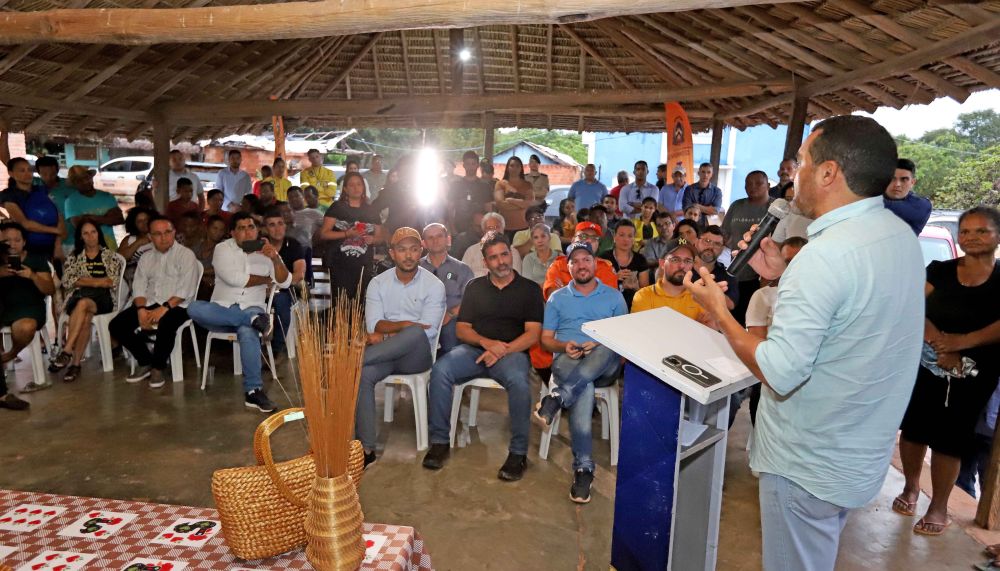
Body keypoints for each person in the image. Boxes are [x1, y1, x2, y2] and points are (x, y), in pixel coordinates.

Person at [683, 115, 924, 571]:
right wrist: (783, 274)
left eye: (803, 164)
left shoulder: (824, 256)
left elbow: (779, 369)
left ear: (829, 173)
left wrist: (718, 310)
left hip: (806, 461)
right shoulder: (898, 236)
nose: (793, 176)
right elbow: (851, 321)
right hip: (856, 448)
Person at [895, 206, 1000, 536]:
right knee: (913, 429)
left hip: (976, 373)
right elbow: (915, 305)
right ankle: (912, 487)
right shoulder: (940, 270)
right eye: (966, 231)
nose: (971, 237)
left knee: (950, 439)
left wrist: (962, 343)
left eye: (981, 231)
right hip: (928, 361)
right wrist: (941, 343)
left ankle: (939, 505)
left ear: (997, 236)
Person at [422, 232, 544, 481]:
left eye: (504, 255)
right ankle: (439, 442)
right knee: (441, 370)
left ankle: (518, 454)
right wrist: (487, 344)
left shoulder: (529, 289)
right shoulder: (475, 287)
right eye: (493, 258)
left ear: (510, 254)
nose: (501, 262)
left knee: (521, 383)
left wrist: (502, 350)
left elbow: (533, 334)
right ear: (485, 262)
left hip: (512, 353)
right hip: (475, 351)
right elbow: (462, 328)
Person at [534, 240, 627, 503]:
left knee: (606, 344)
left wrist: (597, 343)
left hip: (604, 364)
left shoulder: (614, 296)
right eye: (575, 261)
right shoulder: (557, 298)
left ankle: (558, 398)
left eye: (587, 259)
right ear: (569, 266)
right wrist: (565, 345)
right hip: (567, 359)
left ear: (596, 264)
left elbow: (623, 339)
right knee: (582, 387)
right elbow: (545, 340)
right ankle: (584, 468)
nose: (582, 265)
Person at [358, 227, 447, 465]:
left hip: (417, 356)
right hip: (385, 355)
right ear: (392, 253)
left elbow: (427, 330)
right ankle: (366, 449)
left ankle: (350, 359)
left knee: (416, 333)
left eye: (414, 249)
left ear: (421, 251)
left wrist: (403, 328)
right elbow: (374, 325)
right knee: (364, 374)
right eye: (402, 250)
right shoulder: (377, 284)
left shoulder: (434, 285)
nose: (408, 256)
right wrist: (406, 324)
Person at [187, 212, 290, 413]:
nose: (247, 232)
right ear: (233, 233)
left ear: (256, 229)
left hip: (253, 305)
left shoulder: (266, 251)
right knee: (194, 308)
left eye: (250, 227)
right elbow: (235, 279)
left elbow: (285, 281)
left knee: (247, 332)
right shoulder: (222, 249)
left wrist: (275, 259)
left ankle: (253, 392)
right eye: (241, 228)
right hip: (221, 309)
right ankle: (252, 319)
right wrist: (265, 280)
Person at [110, 215, 199, 388]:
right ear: (150, 237)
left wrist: (164, 308)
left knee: (166, 322)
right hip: (151, 302)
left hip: (179, 304)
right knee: (117, 325)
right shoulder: (146, 258)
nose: (164, 237)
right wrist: (141, 309)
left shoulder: (186, 255)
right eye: (158, 234)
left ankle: (158, 367)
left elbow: (186, 289)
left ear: (174, 233)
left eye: (168, 232)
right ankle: (145, 361)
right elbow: (139, 286)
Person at [743, 237, 807, 426]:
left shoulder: (818, 296)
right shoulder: (763, 295)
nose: (793, 267)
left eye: (799, 260)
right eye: (787, 261)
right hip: (770, 373)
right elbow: (756, 342)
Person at [49, 220, 123, 383]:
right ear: (81, 237)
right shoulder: (74, 257)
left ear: (99, 234)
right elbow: (68, 281)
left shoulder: (109, 256)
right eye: (86, 233)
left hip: (103, 300)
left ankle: (67, 350)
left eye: (93, 232)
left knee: (83, 304)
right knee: (85, 314)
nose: (90, 236)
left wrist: (84, 280)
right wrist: (98, 281)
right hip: (79, 298)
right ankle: (74, 364)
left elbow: (112, 281)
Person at [0, 222, 55, 393]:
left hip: (30, 307)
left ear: (24, 242)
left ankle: (10, 355)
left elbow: (50, 289)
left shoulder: (36, 260)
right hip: (4, 307)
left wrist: (32, 275)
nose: (12, 244)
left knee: (25, 327)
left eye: (17, 240)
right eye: (7, 240)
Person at [319, 171, 383, 299]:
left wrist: (373, 239)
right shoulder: (337, 207)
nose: (356, 188)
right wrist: (347, 233)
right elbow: (324, 234)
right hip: (339, 263)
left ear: (364, 187)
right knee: (340, 303)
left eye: (359, 184)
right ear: (345, 189)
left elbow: (380, 237)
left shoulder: (372, 210)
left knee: (359, 303)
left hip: (363, 264)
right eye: (352, 185)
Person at [722, 171, 774, 325]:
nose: (753, 187)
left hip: (762, 277)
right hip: (735, 272)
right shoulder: (737, 205)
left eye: (758, 183)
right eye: (748, 184)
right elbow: (725, 234)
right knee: (733, 320)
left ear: (768, 186)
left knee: (755, 321)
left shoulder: (773, 208)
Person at [420, 223, 474, 355]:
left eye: (439, 236)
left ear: (448, 239)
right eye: (430, 237)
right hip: (420, 318)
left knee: (451, 333)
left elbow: (471, 302)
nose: (435, 240)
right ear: (424, 243)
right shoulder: (415, 268)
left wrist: (449, 314)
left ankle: (449, 370)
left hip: (451, 318)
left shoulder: (462, 269)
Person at [263, 207, 306, 356]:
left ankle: (276, 348)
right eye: (272, 224)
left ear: (285, 225)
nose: (277, 228)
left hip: (287, 289)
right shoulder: (260, 246)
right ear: (265, 228)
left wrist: (278, 285)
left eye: (280, 223)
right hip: (261, 289)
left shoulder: (293, 245)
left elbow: (299, 274)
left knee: (281, 299)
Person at [2, 157, 64, 260]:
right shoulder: (8, 195)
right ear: (11, 173)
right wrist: (55, 230)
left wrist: (58, 245)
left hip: (52, 249)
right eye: (22, 170)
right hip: (27, 251)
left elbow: (58, 215)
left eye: (29, 170)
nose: (27, 173)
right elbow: (25, 224)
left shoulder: (41, 190)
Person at [631, 242, 710, 324]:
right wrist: (696, 327)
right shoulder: (643, 295)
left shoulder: (700, 297)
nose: (682, 265)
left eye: (687, 261)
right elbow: (641, 333)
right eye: (675, 260)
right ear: (662, 263)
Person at [542, 221, 618, 299]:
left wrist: (567, 292)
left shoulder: (606, 268)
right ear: (572, 240)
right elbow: (552, 298)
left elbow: (609, 301)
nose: (588, 241)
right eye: (583, 236)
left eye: (594, 238)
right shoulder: (558, 265)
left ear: (598, 244)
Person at [63, 166, 123, 254]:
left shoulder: (106, 196)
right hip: (87, 249)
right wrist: (106, 218)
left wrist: (91, 218)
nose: (84, 182)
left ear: (91, 178)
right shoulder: (71, 201)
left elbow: (119, 219)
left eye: (86, 178)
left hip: (110, 245)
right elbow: (79, 225)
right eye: (79, 181)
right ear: (75, 184)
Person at [600, 219, 648, 310]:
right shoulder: (604, 258)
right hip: (609, 306)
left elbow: (645, 293)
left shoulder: (640, 259)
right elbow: (599, 290)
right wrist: (615, 279)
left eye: (630, 236)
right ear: (614, 237)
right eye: (621, 235)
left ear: (634, 239)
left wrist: (636, 287)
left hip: (635, 305)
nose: (626, 239)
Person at [461, 212, 523, 278]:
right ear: (483, 231)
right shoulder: (471, 251)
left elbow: (515, 279)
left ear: (503, 229)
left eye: (497, 227)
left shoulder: (513, 252)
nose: (494, 230)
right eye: (489, 228)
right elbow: (462, 277)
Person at [693, 225, 738, 311]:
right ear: (696, 242)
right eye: (707, 241)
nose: (711, 247)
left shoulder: (728, 275)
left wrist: (711, 292)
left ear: (722, 249)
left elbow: (731, 305)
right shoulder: (683, 267)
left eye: (717, 244)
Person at [884, 158, 931, 235]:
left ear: (912, 182)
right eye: (892, 179)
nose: (897, 184)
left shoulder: (921, 206)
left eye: (904, 180)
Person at [449, 151, 493, 233]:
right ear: (464, 165)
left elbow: (489, 209)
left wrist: (488, 230)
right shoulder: (456, 185)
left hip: (480, 230)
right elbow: (450, 208)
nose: (471, 167)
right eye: (468, 164)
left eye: (473, 164)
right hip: (459, 228)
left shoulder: (485, 185)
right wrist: (452, 229)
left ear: (477, 165)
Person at [493, 156, 534, 239]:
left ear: (521, 168)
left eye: (517, 166)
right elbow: (500, 204)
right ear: (507, 167)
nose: (514, 168)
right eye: (512, 165)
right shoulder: (500, 184)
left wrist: (511, 200)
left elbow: (529, 203)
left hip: (523, 228)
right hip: (504, 228)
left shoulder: (528, 185)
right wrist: (521, 204)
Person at [118, 207, 154, 295]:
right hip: (132, 279)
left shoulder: (160, 236)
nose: (144, 223)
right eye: (140, 221)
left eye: (146, 219)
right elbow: (120, 259)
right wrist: (139, 242)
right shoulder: (129, 239)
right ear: (133, 224)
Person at [194, 215, 228, 300]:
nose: (218, 232)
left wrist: (201, 273)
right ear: (207, 228)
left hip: (213, 290)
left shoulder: (224, 248)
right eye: (215, 228)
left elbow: (219, 270)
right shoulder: (197, 246)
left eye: (221, 230)